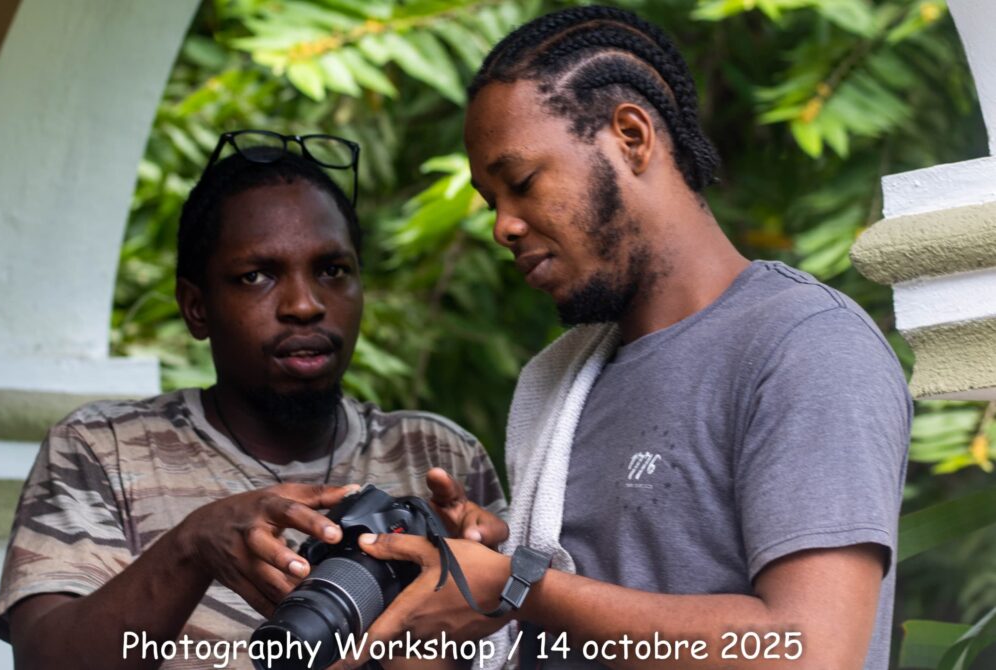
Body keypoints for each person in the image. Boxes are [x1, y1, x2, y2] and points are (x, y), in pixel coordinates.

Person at [345, 6, 911, 670]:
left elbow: (810, 651)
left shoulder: (805, 347)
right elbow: (571, 614)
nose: (503, 227)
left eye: (522, 183)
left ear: (631, 136)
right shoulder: (564, 380)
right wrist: (488, 565)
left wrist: (518, 586)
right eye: (491, 201)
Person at [0, 131, 507, 670]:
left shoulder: (437, 457)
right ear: (196, 308)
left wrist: (484, 592)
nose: (305, 305)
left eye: (332, 270)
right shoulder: (101, 449)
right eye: (256, 276)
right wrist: (193, 547)